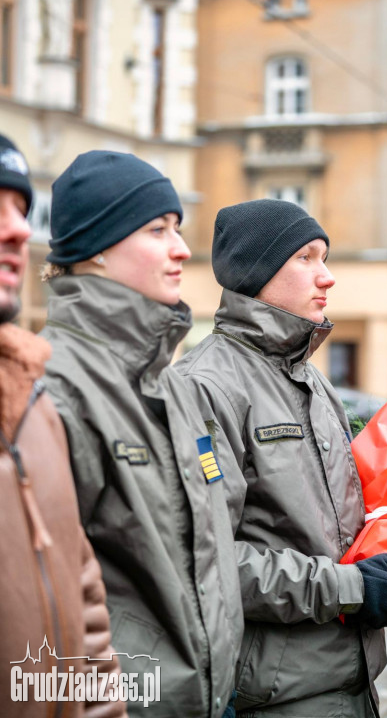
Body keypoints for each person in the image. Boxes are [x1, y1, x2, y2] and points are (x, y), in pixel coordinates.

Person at [174, 198, 387, 718]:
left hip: (355, 682)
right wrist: (353, 590)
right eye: (306, 258)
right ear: (259, 270)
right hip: (274, 694)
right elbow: (207, 560)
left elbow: (337, 523)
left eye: (325, 257)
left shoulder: (313, 380)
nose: (328, 277)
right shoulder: (205, 385)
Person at [39, 150, 243, 717]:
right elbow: (43, 603)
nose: (181, 248)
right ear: (96, 247)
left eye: (177, 229)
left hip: (208, 702)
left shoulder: (172, 385)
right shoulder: (55, 386)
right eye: (157, 230)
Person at [0, 134, 125, 717]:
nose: (21, 230)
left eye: (21, 210)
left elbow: (86, 606)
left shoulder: (33, 400)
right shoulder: (61, 388)